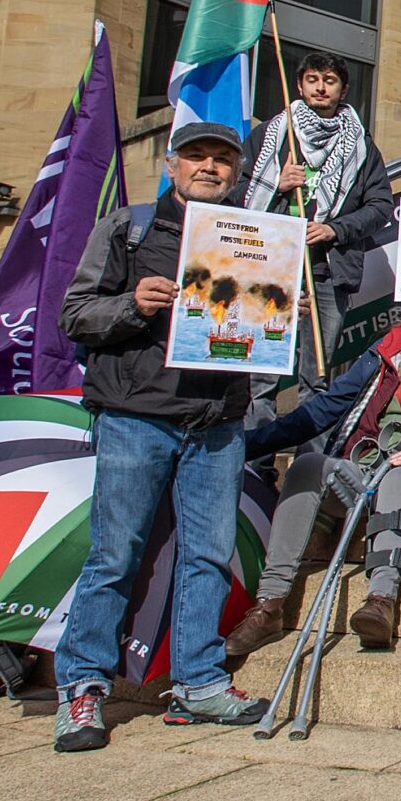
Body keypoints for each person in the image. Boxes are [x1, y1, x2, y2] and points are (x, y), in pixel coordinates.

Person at [51, 120, 269, 751]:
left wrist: (280, 316)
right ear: (172, 165)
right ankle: (84, 689)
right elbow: (74, 314)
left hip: (217, 423)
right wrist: (132, 306)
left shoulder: (255, 240)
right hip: (135, 416)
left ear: (236, 172)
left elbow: (253, 329)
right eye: (197, 156)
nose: (210, 167)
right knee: (114, 555)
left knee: (208, 556)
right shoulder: (129, 227)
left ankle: (199, 680)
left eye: (223, 160)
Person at [226, 272, 401, 658]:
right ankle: (270, 604)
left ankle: (381, 599)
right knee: (308, 465)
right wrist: (243, 446)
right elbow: (324, 408)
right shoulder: (385, 352)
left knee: (399, 476)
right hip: (366, 465)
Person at [238, 51, 395, 383]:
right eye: (313, 80)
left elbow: (380, 207)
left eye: (329, 81)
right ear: (299, 85)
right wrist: (276, 184)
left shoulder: (362, 146)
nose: (321, 88)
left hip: (327, 271)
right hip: (271, 264)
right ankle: (258, 435)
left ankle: (311, 437)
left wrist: (334, 229)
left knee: (317, 375)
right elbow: (233, 191)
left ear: (343, 89)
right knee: (261, 370)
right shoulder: (272, 135)